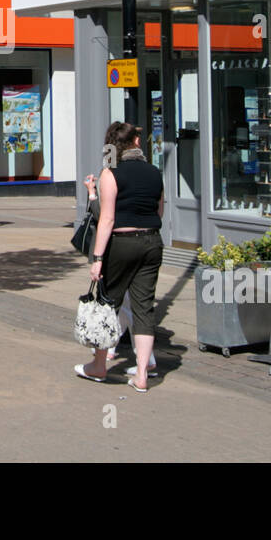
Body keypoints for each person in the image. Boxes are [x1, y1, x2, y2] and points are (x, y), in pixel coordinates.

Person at [75, 122, 165, 392]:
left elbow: (107, 219)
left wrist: (98, 258)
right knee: (144, 308)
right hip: (152, 242)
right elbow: (159, 211)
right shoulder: (154, 172)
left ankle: (99, 366)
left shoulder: (110, 174)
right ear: (135, 143)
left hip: (122, 243)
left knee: (108, 303)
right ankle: (141, 376)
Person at [85, 171, 157, 378]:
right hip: (147, 244)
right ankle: (138, 363)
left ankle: (108, 358)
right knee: (132, 307)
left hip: (117, 250)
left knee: (116, 305)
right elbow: (158, 212)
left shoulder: (114, 179)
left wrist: (91, 194)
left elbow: (104, 218)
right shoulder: (148, 180)